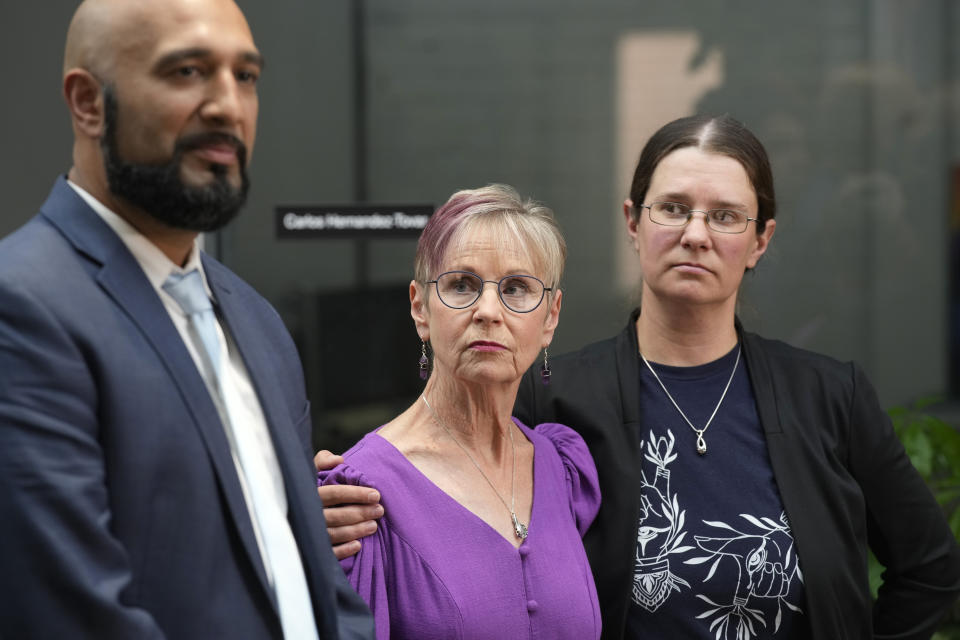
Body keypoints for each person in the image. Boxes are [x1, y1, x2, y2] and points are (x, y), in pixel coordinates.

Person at [323, 115, 960, 639]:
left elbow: (930, 568)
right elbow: (450, 494)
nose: (695, 235)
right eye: (673, 208)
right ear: (633, 221)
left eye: (726, 216)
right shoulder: (553, 400)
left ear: (761, 240)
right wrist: (332, 509)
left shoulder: (828, 397)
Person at [0, 1, 373, 638]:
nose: (228, 105)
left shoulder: (258, 323)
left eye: (245, 76)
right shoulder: (24, 308)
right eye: (187, 72)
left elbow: (318, 590)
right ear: (89, 103)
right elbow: (74, 614)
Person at [319, 184, 602, 639]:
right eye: (462, 285)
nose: (488, 310)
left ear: (550, 317)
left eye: (516, 288)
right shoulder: (363, 492)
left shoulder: (560, 467)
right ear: (420, 308)